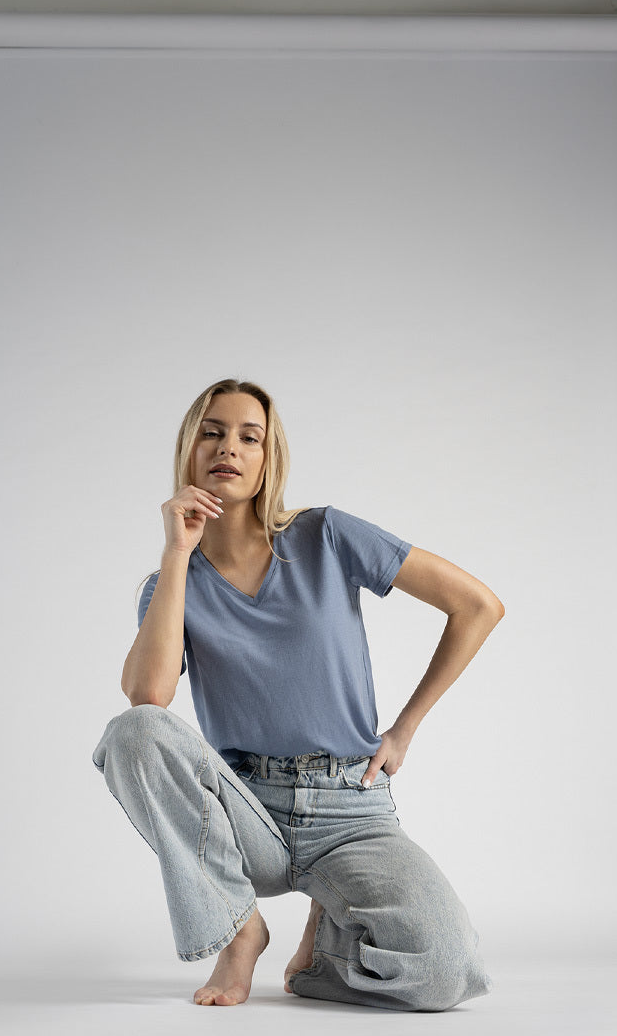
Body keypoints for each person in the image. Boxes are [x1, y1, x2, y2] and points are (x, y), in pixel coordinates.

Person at [92, 377, 504, 1010]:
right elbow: (148, 698)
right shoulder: (170, 586)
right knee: (132, 733)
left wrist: (406, 725)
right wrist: (178, 551)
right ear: (190, 451)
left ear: (267, 461)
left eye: (248, 437)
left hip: (351, 810)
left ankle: (321, 949)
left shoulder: (325, 537)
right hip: (243, 815)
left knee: (446, 971)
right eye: (213, 431)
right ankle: (239, 928)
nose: (228, 446)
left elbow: (477, 606)